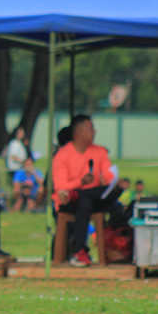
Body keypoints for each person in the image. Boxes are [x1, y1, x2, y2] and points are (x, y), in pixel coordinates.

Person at [51, 114, 120, 267]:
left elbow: (108, 177)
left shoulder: (99, 152)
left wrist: (111, 180)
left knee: (109, 195)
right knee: (84, 201)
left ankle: (83, 252)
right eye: (90, 128)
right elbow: (60, 187)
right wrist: (80, 182)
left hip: (95, 198)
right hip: (69, 200)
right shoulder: (62, 155)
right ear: (78, 131)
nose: (94, 132)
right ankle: (79, 251)